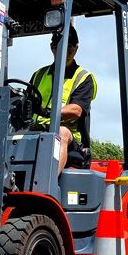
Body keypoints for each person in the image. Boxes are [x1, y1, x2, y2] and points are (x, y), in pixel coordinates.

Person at [28, 26, 97, 172]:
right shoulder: (39, 74)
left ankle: (47, 185)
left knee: (61, 133)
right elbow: (26, 102)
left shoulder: (83, 77)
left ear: (76, 48)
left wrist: (48, 112)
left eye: (69, 48)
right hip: (35, 130)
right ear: (52, 47)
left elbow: (77, 110)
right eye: (58, 47)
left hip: (71, 138)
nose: (64, 52)